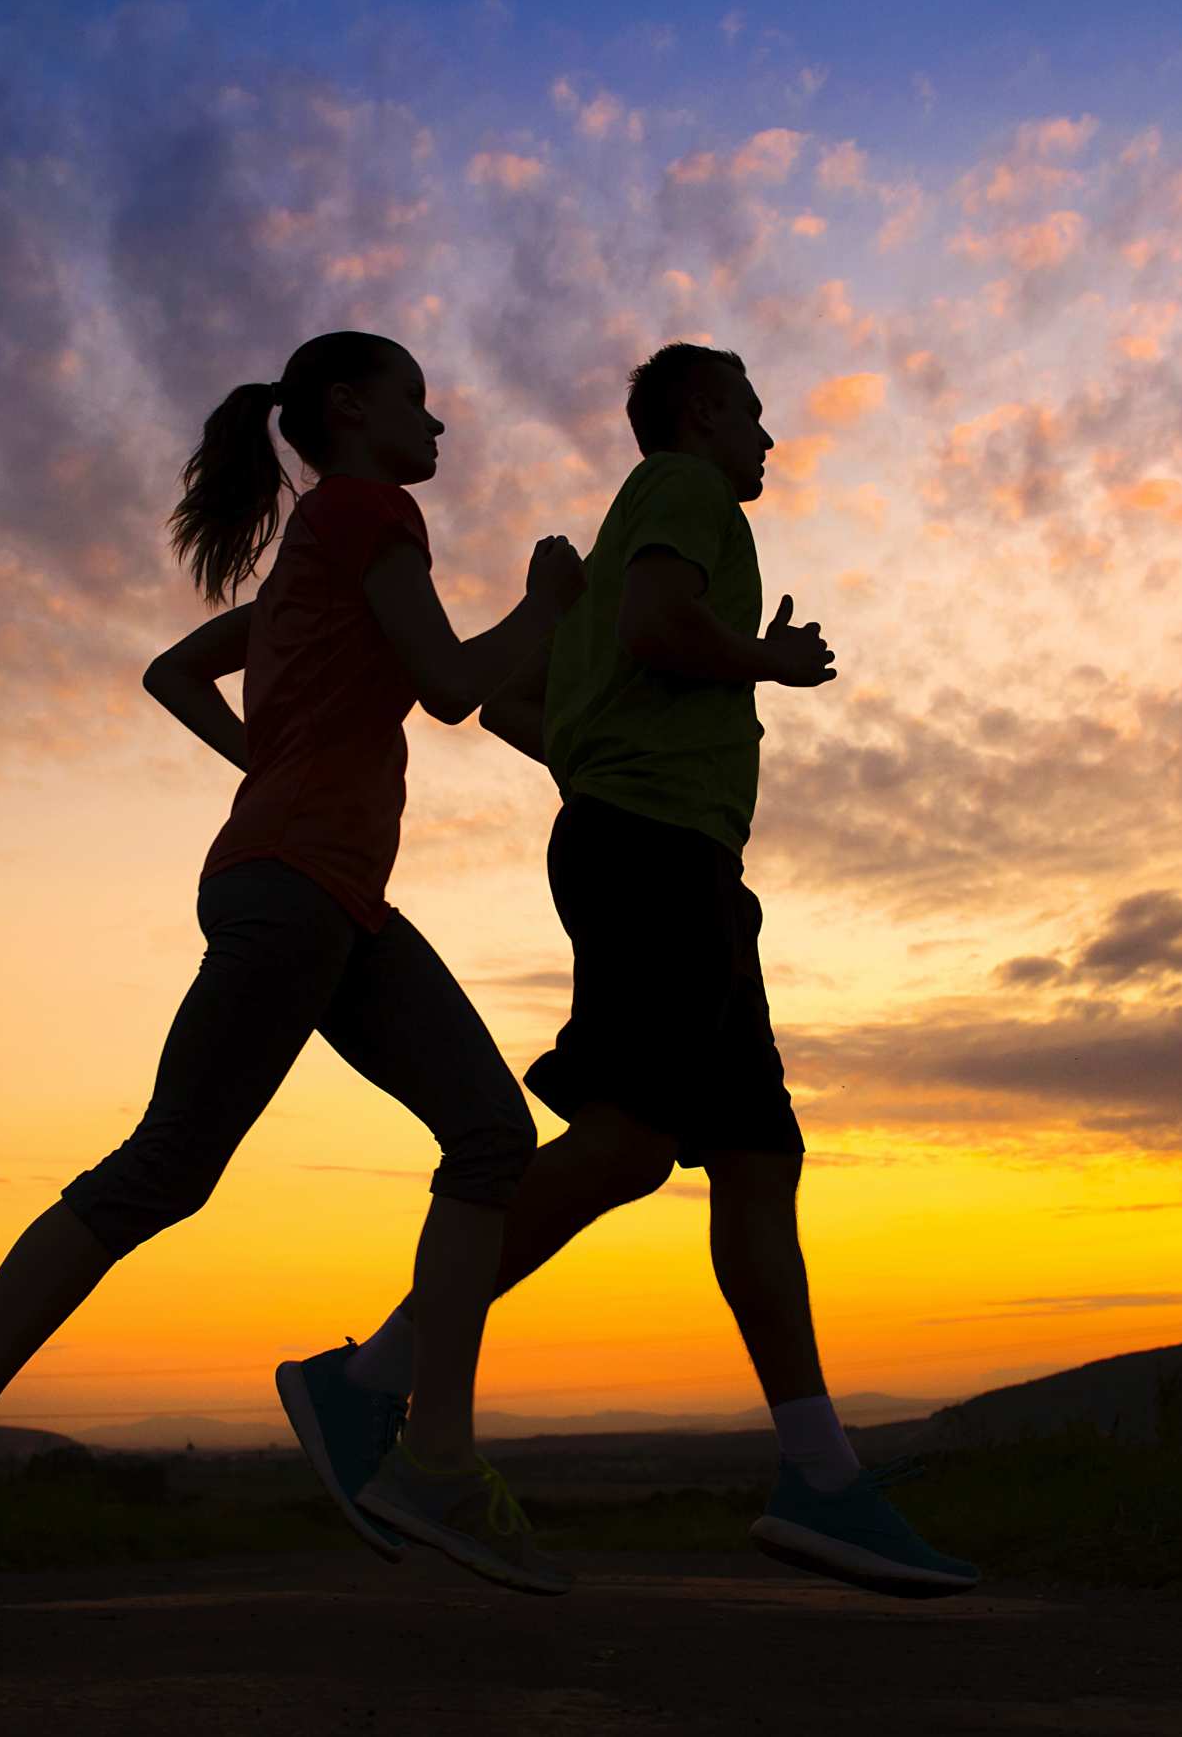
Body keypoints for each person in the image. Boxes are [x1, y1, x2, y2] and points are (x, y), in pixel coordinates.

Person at [0, 331, 586, 1641]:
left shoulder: (320, 555)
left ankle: (437, 1464)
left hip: (327, 893)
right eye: (420, 398)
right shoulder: (367, 509)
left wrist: (278, 761)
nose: (442, 425)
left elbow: (174, 669)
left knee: (489, 1133)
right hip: (296, 889)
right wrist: (549, 601)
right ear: (353, 410)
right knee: (162, 1170)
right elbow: (459, 687)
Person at [281, 342, 978, 1598]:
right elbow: (661, 628)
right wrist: (764, 664)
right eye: (755, 415)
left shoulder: (612, 556)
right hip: (657, 858)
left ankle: (823, 1479)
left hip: (681, 859)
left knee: (759, 1160)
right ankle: (372, 1376)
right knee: (622, 1142)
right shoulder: (682, 489)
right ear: (703, 413)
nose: (767, 440)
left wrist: (600, 764)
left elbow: (517, 709)